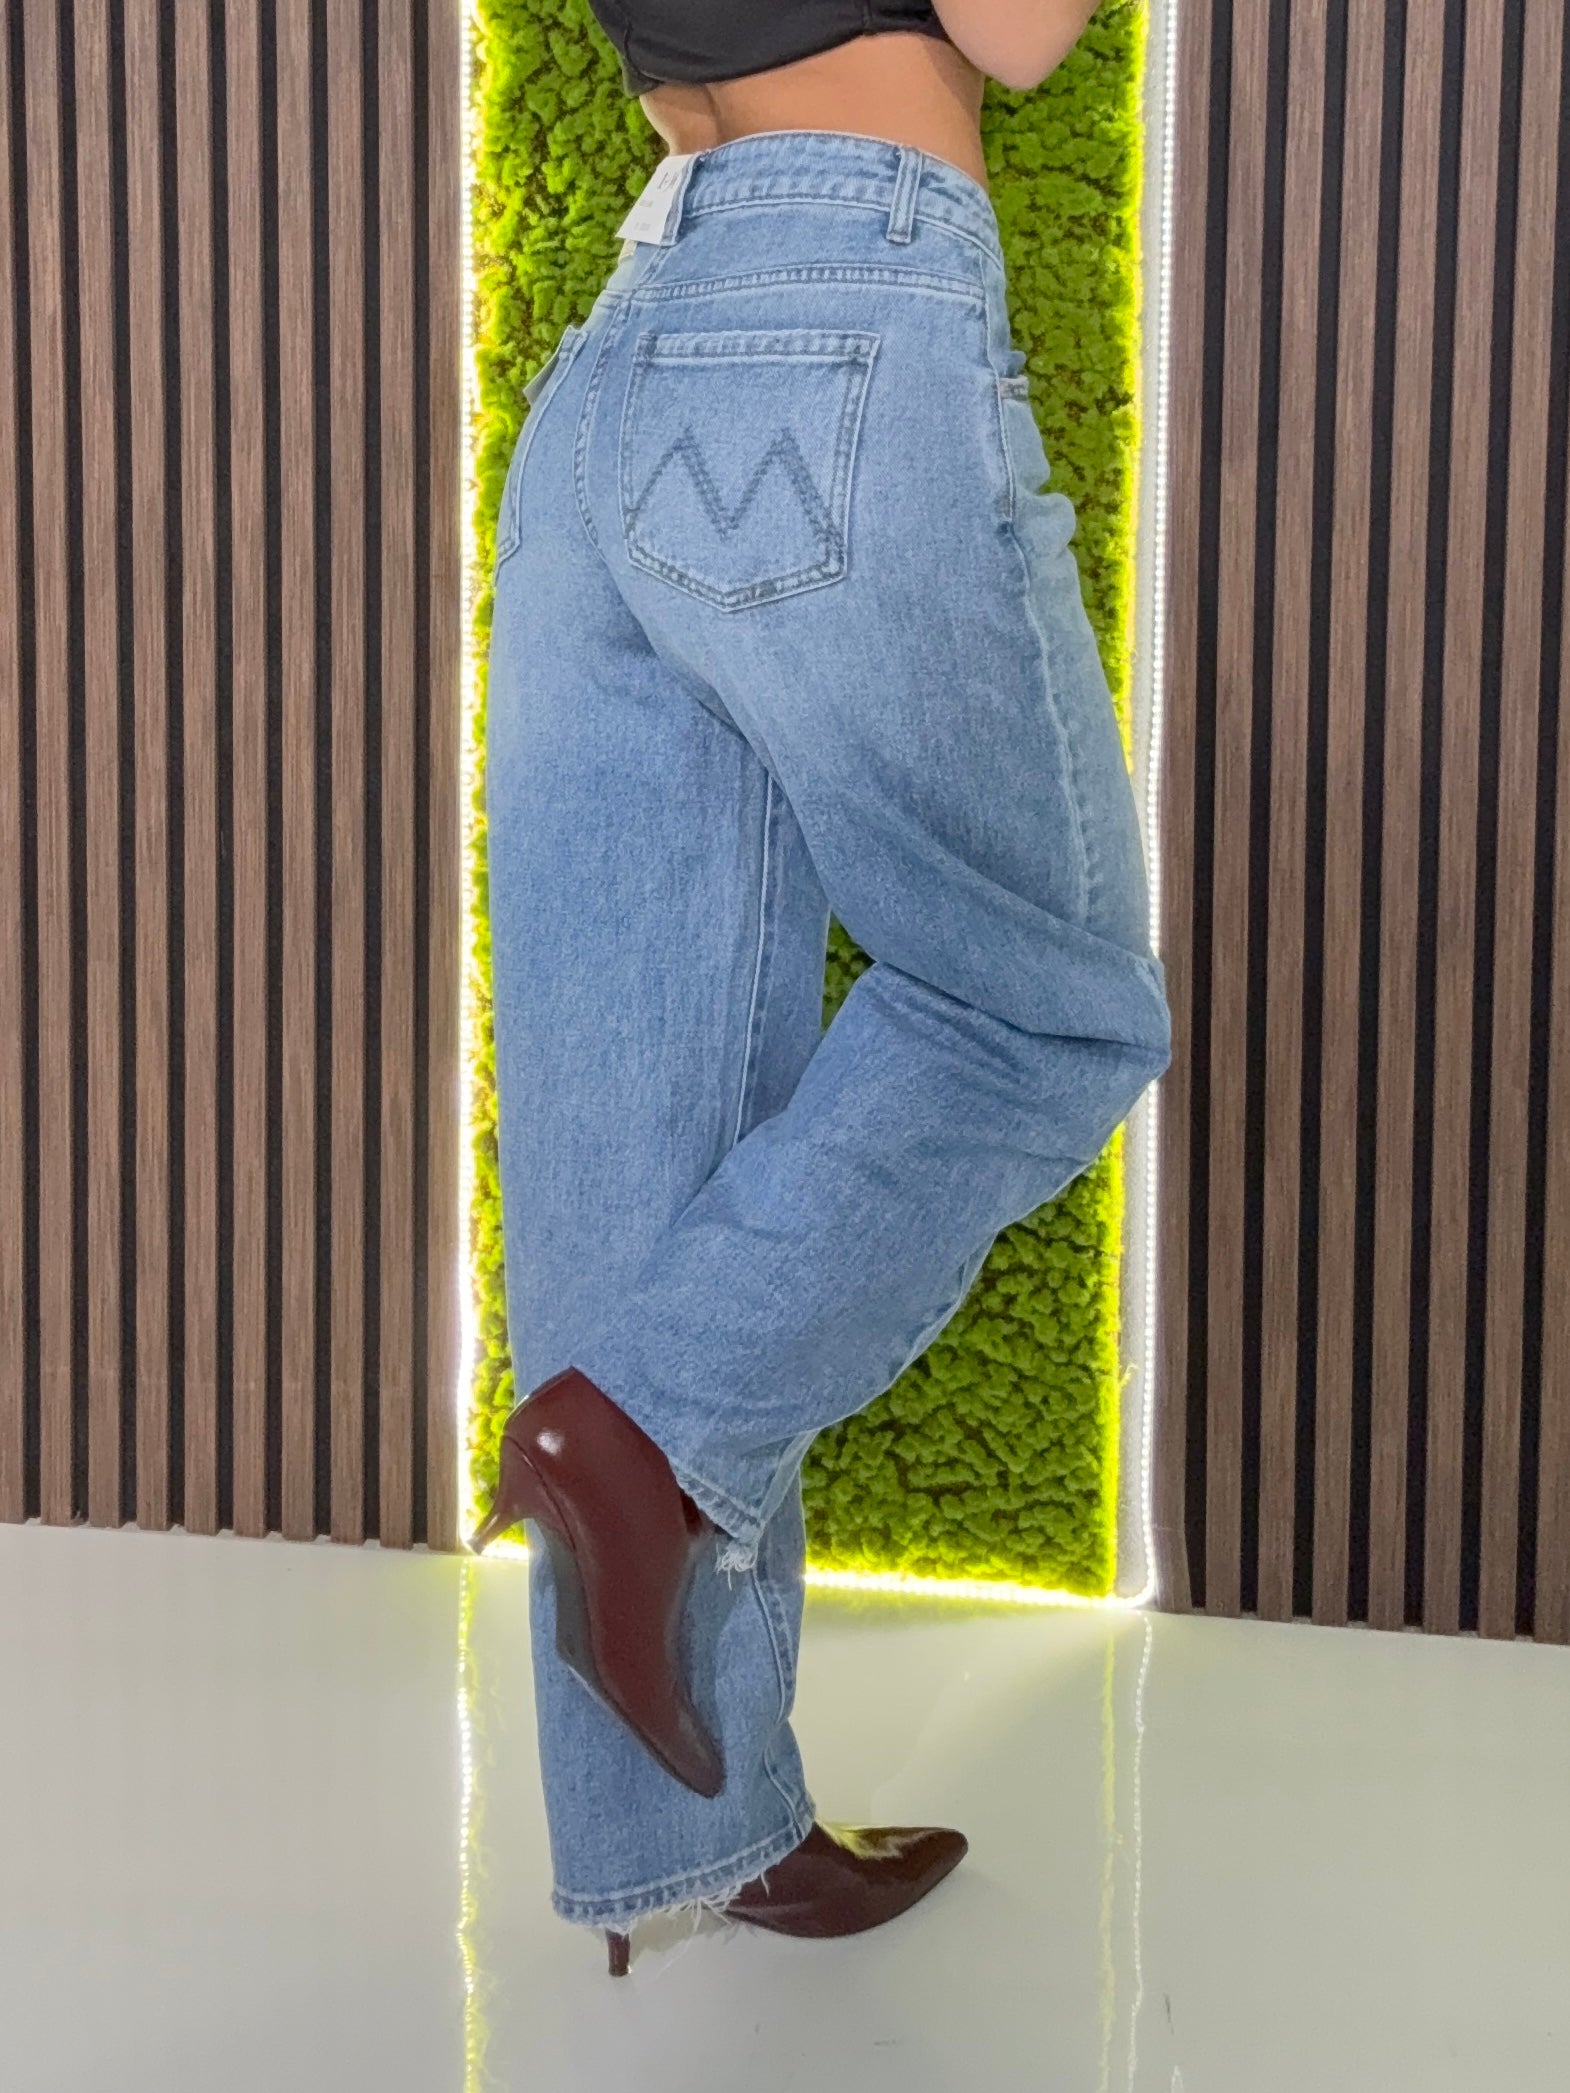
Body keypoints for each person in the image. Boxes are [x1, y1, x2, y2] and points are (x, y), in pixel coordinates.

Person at [473, 0, 1169, 1979]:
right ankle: (645, 1435)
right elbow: (1014, 38)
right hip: (839, 303)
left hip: (631, 341)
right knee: (1037, 1005)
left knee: (632, 1136)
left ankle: (681, 1849)